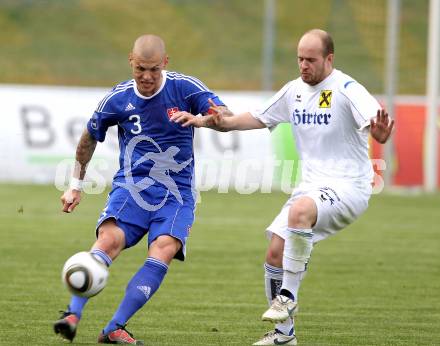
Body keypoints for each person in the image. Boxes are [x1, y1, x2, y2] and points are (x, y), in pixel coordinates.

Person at [171, 29, 394, 345]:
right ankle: (284, 335)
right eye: (300, 59)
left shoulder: (347, 89)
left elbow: (378, 127)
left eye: (311, 60)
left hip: (349, 187)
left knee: (300, 211)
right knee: (276, 251)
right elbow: (244, 120)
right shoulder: (294, 91)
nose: (304, 66)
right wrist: (204, 120)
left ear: (329, 59)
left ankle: (288, 294)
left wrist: (381, 134)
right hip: (312, 187)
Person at [54, 34, 227, 345]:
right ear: (131, 62)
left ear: (165, 63)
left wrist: (203, 118)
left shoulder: (184, 87)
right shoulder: (117, 99)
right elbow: (87, 140)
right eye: (141, 69)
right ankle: (71, 314)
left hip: (177, 194)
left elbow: (222, 114)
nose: (147, 76)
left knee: (164, 248)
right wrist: (75, 186)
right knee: (108, 241)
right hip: (132, 188)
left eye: (154, 70)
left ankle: (114, 327)